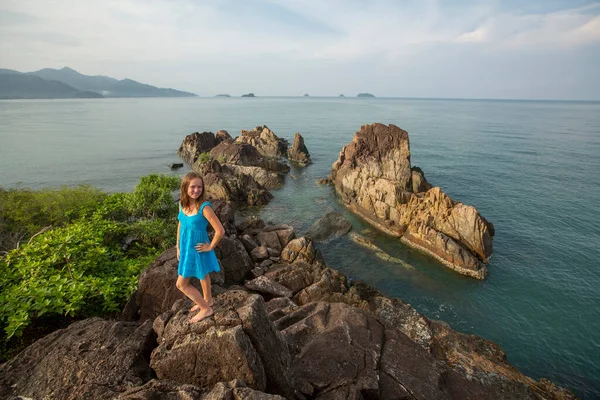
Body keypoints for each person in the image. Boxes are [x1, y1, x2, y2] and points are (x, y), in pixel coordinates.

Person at [176, 172, 224, 322]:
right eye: (193, 187)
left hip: (197, 247)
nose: (196, 190)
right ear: (185, 187)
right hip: (186, 247)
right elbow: (180, 224)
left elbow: (220, 231)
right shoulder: (182, 204)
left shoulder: (204, 207)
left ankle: (205, 309)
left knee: (181, 284)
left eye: (199, 187)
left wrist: (210, 246)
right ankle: (207, 300)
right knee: (203, 274)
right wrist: (178, 246)